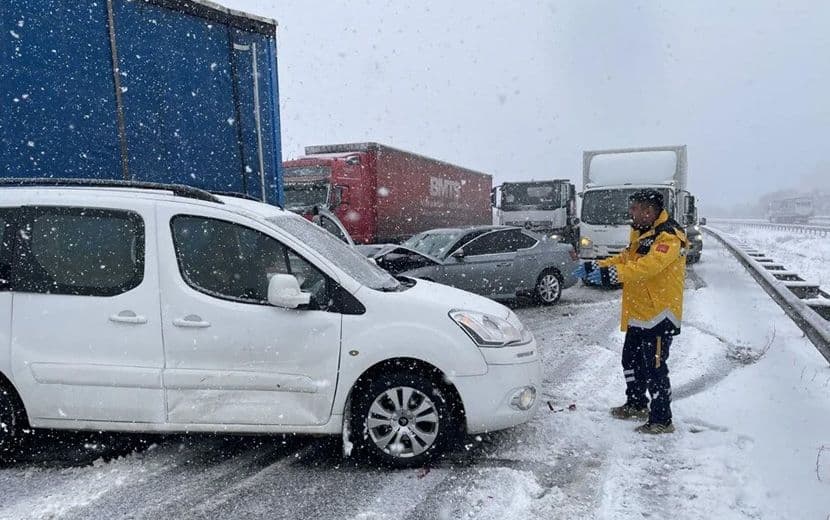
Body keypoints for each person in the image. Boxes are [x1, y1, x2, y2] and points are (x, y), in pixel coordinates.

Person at [574, 189, 687, 434]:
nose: (630, 212)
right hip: (639, 313)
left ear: (648, 211)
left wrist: (610, 275)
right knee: (631, 361)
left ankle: (662, 419)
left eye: (635, 208)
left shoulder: (669, 236)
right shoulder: (642, 232)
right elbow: (626, 258)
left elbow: (648, 267)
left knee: (656, 369)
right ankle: (636, 404)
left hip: (659, 315)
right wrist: (596, 265)